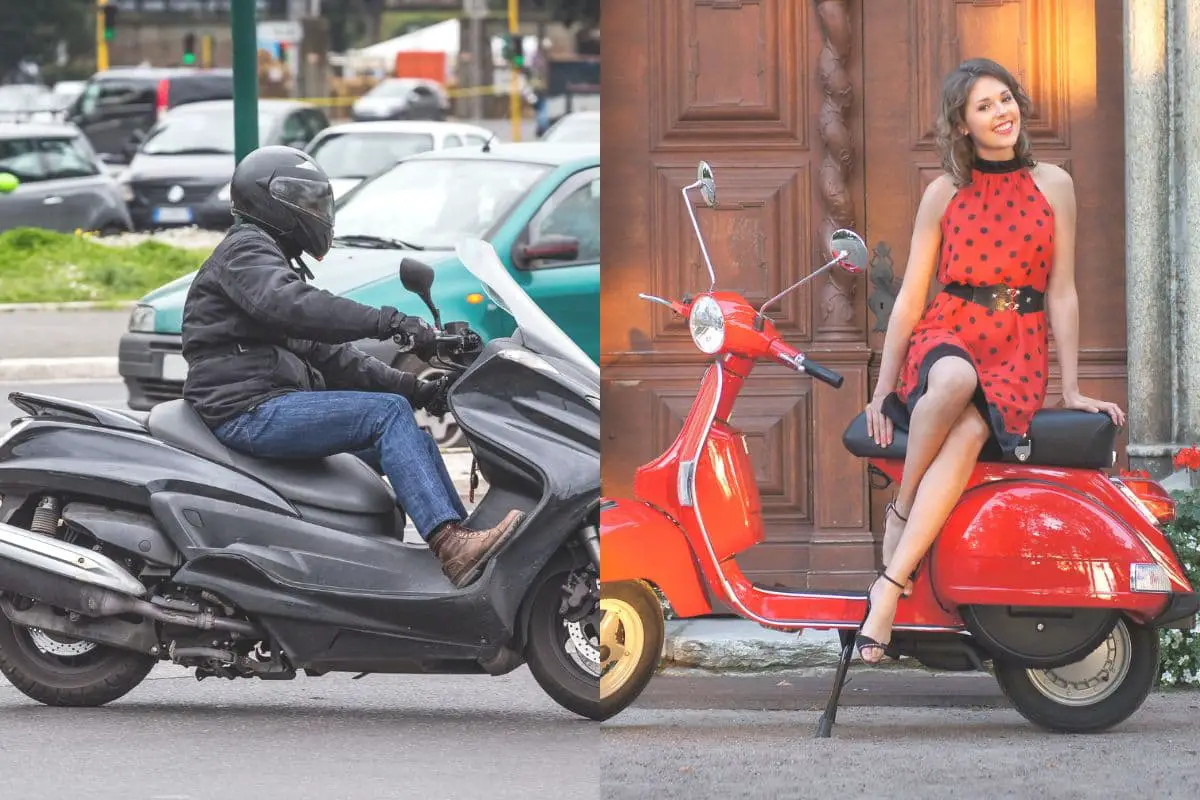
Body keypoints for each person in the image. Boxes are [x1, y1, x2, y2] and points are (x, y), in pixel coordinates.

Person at [856, 59, 1126, 664]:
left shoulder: (1054, 183)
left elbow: (1063, 289)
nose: (1002, 112)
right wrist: (879, 393)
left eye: (1006, 99)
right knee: (953, 378)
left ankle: (889, 587)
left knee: (972, 433)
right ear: (961, 125)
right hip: (950, 329)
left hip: (1016, 349)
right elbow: (911, 296)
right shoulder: (943, 192)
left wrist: (1073, 387)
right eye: (984, 106)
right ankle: (900, 509)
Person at [180, 145, 524, 589]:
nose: (316, 213)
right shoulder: (246, 252)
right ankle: (451, 542)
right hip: (247, 410)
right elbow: (293, 306)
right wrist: (389, 322)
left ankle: (428, 552)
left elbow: (328, 355)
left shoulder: (267, 259)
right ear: (272, 200)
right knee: (385, 417)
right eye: (305, 201)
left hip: (266, 403)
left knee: (407, 436)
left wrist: (419, 390)